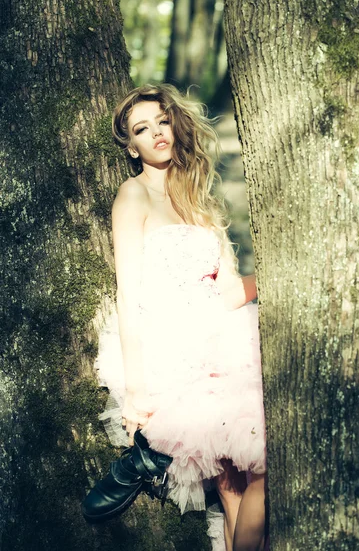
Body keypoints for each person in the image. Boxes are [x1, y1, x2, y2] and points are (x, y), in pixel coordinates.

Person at [89, 84, 267, 551]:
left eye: (161, 122)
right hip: (172, 353)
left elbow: (229, 291)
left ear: (174, 124)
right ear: (132, 146)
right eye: (141, 130)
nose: (156, 134)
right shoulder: (132, 196)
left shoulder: (197, 197)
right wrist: (138, 392)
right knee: (230, 486)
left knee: (257, 475)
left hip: (225, 341)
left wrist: (277, 276)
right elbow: (128, 297)